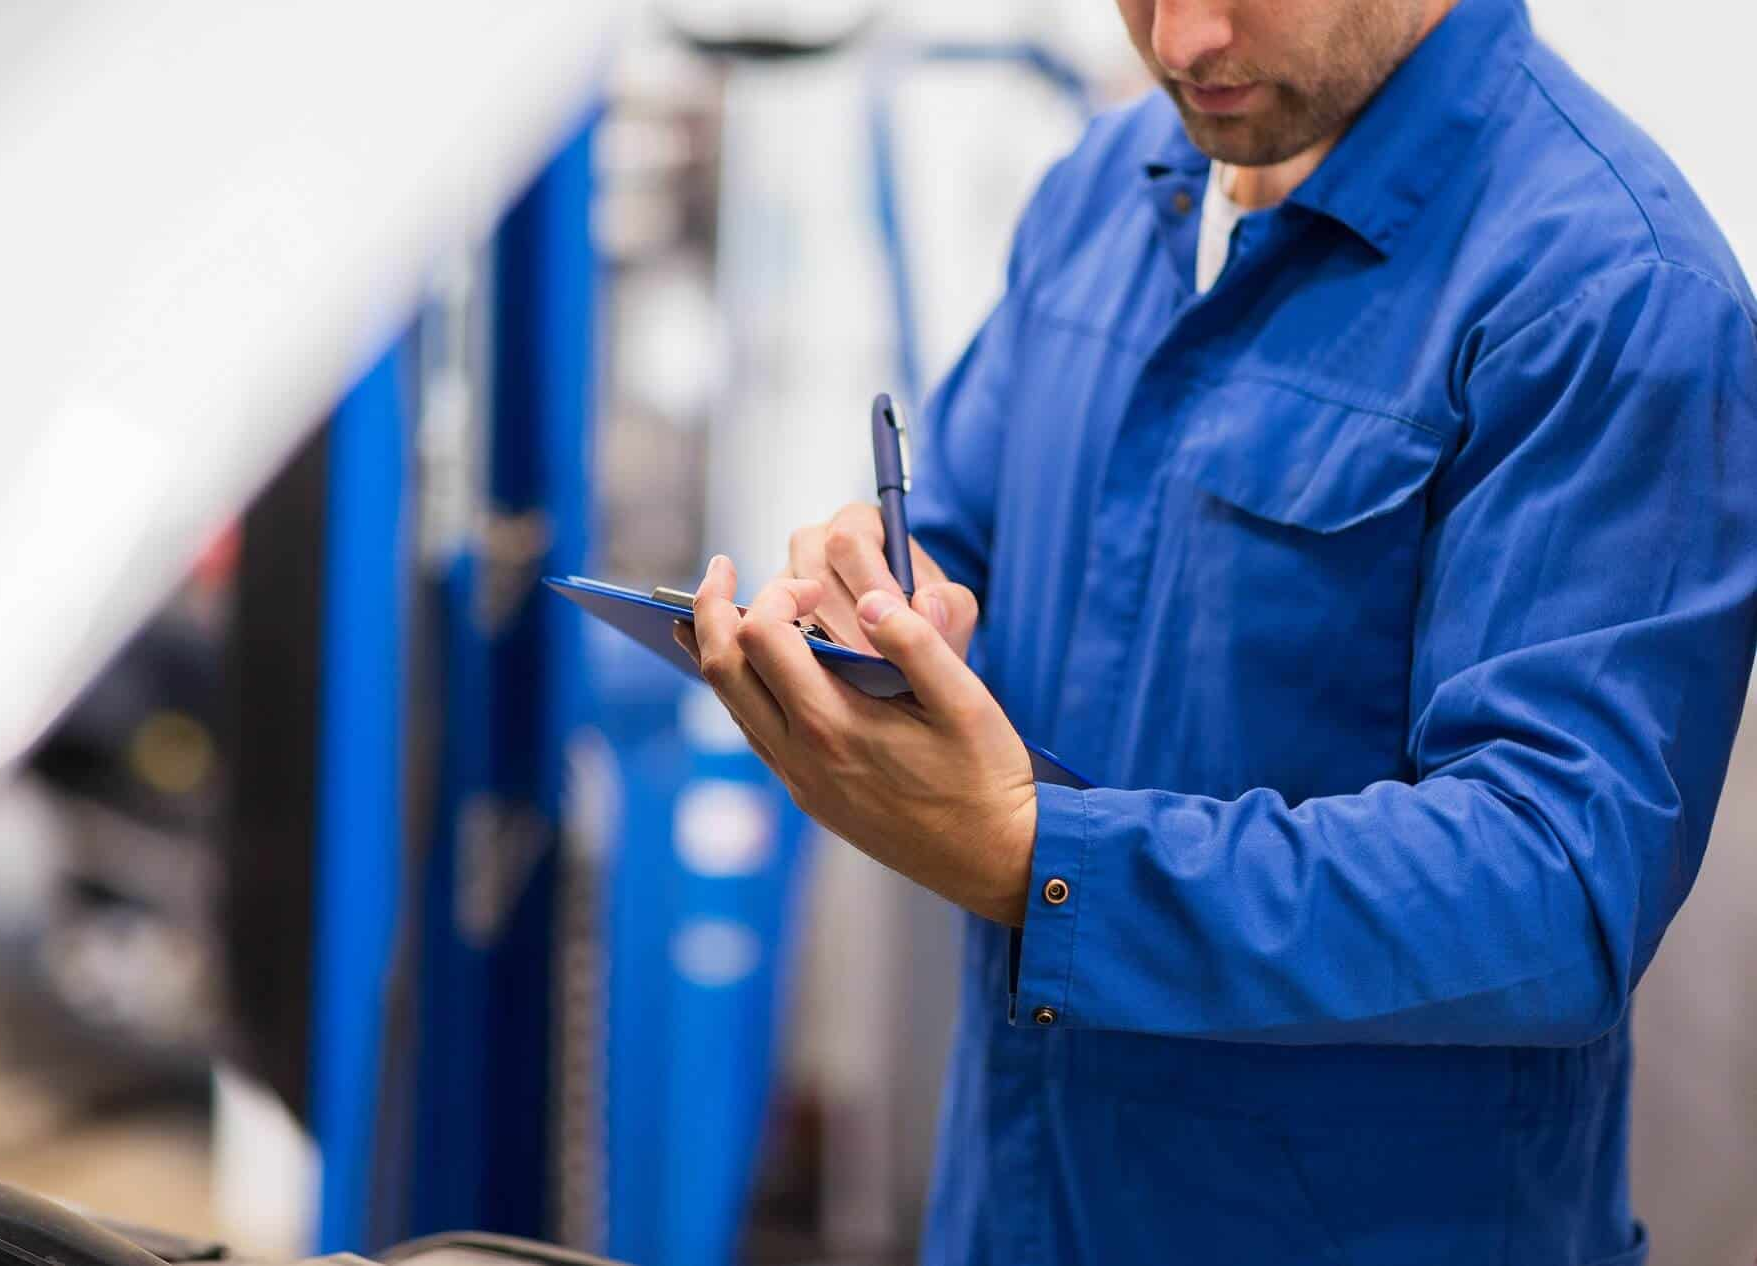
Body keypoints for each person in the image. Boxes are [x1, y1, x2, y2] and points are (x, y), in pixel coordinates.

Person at [678, 0, 1757, 1259]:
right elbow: (963, 529)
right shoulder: (1108, 187)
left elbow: (1554, 890)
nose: (1181, 41)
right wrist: (879, 602)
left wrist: (1044, 861)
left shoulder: (1605, 291)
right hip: (1020, 1211)